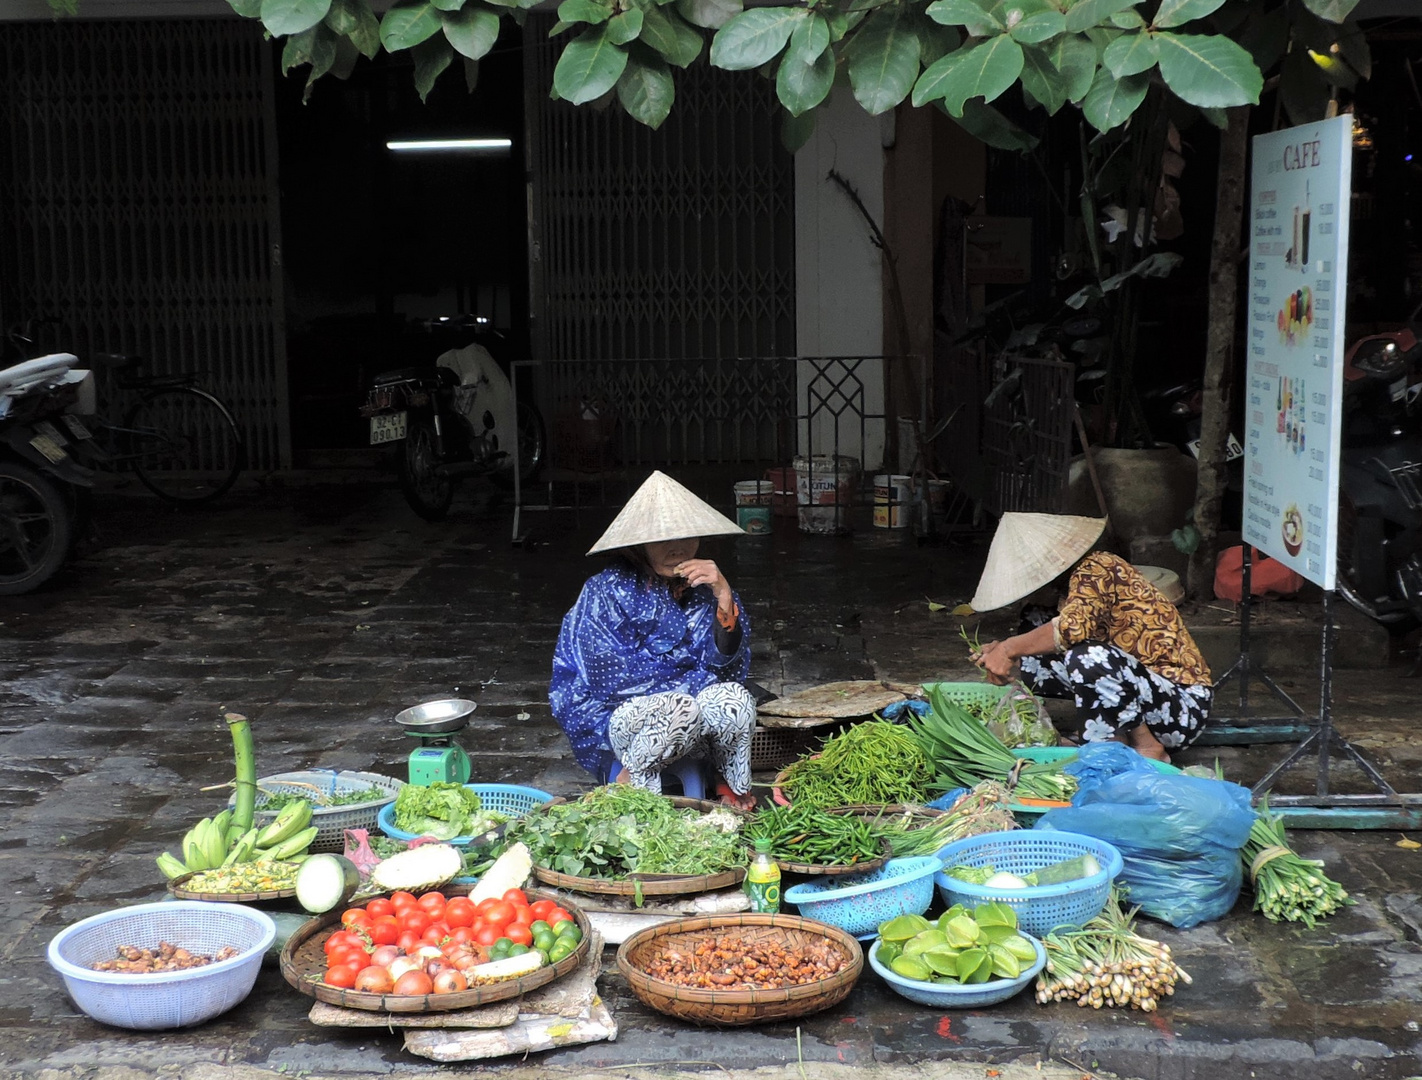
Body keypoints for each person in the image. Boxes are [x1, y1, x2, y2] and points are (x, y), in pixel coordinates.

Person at [550, 471, 758, 809]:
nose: (678, 549)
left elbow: (731, 672)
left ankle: (729, 783)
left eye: (686, 536)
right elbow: (612, 681)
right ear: (638, 545)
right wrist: (696, 687)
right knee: (683, 708)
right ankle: (631, 782)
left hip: (690, 714)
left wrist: (723, 595)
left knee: (735, 699)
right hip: (615, 719)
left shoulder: (703, 588)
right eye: (662, 539)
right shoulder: (606, 591)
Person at [967, 512, 1212, 761]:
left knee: (1086, 657)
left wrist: (1009, 649)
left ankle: (1146, 745)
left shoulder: (1097, 567)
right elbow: (1052, 638)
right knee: (1036, 628)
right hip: (1138, 692)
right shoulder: (1065, 597)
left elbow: (1072, 630)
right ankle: (1105, 730)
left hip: (1179, 710)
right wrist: (1008, 658)